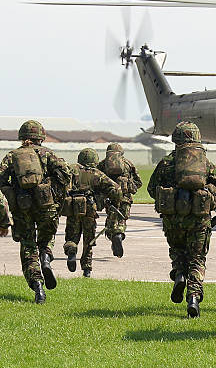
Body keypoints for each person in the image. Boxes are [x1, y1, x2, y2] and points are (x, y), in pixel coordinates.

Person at [147, 121, 216, 318]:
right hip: (199, 221)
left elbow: (151, 188)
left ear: (176, 140)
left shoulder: (167, 162)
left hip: (173, 221)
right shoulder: (206, 163)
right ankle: (194, 298)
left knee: (178, 251)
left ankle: (180, 274)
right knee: (197, 259)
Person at [0, 120, 71, 303]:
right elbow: (66, 174)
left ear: (22, 137)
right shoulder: (48, 154)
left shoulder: (12, 156)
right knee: (47, 238)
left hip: (22, 208)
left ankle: (37, 286)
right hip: (46, 205)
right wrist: (54, 194)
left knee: (28, 245)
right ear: (41, 136)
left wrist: (12, 196)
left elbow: (1, 181)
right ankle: (46, 258)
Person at [63, 148, 122, 277]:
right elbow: (116, 190)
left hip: (72, 208)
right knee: (89, 240)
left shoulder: (70, 170)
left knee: (71, 236)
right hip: (89, 209)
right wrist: (109, 199)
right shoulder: (97, 174)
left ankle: (71, 250)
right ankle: (87, 268)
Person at [98, 142, 142, 258]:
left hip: (110, 198)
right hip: (125, 197)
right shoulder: (128, 164)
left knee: (111, 219)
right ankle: (119, 234)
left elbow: (96, 179)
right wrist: (130, 187)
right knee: (122, 219)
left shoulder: (103, 164)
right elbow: (139, 182)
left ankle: (114, 236)